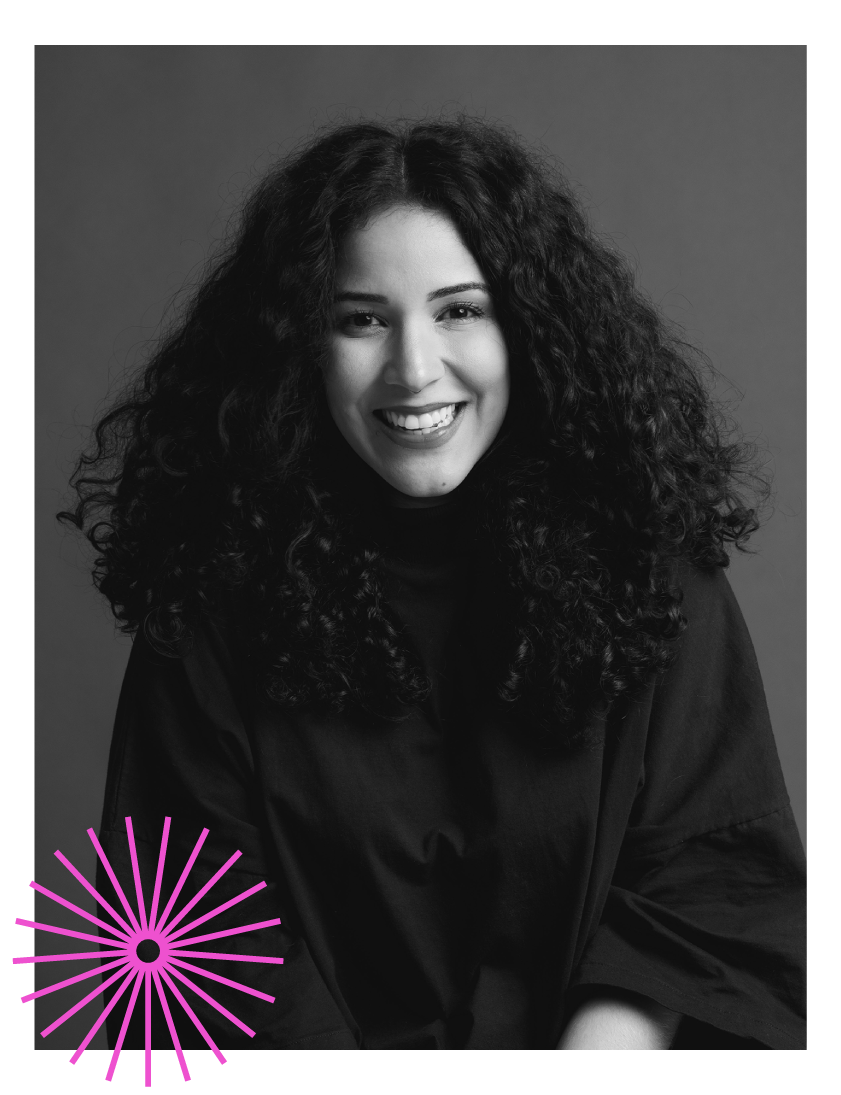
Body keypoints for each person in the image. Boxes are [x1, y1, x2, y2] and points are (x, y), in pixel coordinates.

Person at [60, 116, 806, 1051]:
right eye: (361, 319)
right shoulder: (209, 599)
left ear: (529, 329)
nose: (414, 370)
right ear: (300, 346)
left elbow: (707, 879)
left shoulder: (648, 565)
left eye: (459, 310)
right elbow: (194, 937)